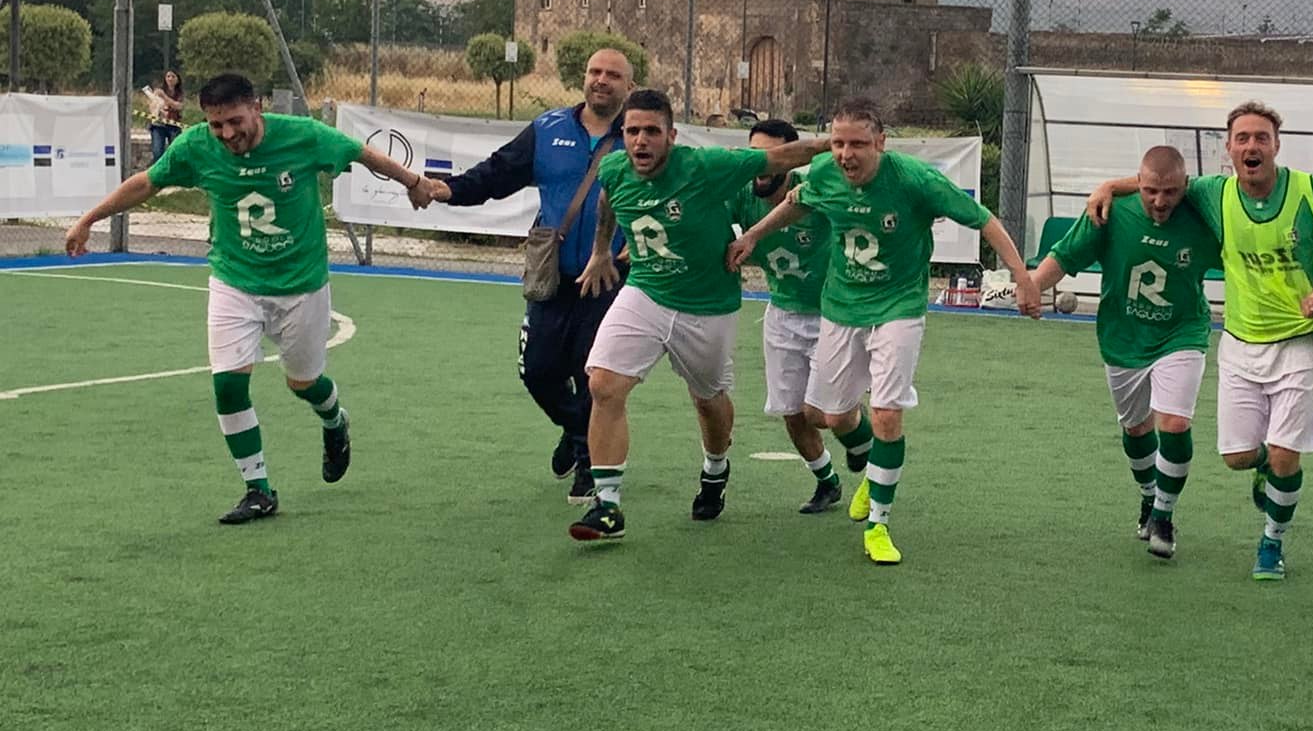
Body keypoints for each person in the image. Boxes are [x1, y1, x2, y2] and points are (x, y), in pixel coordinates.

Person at [63, 72, 432, 522]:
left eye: (235, 121)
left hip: (301, 284)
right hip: (234, 281)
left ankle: (335, 421)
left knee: (304, 384)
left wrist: (413, 180)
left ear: (256, 106)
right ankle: (258, 488)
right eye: (217, 125)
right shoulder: (196, 146)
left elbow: (361, 153)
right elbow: (147, 182)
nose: (227, 134)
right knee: (228, 383)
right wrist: (89, 219)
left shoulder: (303, 136)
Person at [727, 95, 1042, 566]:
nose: (845, 154)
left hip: (899, 307)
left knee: (889, 413)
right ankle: (872, 467)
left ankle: (879, 522)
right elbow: (796, 205)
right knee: (826, 416)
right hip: (841, 307)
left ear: (881, 142)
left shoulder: (915, 180)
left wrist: (1022, 276)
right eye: (837, 143)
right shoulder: (823, 176)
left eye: (857, 144)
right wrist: (752, 236)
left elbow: (985, 221)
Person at [1086, 101, 1313, 583]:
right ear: (1229, 149)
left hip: (1303, 340)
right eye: (1242, 138)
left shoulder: (1312, 191)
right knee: (1238, 457)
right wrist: (1111, 186)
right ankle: (1265, 466)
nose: (1251, 146)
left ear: (1276, 145)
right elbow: (1163, 182)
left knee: (1283, 454)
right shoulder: (1214, 193)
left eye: (1261, 137)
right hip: (1240, 342)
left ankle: (1271, 544)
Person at [568, 88, 828, 543]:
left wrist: (842, 142)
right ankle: (607, 505)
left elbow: (784, 156)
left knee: (708, 400)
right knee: (603, 383)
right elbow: (609, 200)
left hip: (707, 305)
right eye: (632, 131)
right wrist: (600, 253)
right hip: (646, 292)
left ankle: (715, 469)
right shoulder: (613, 167)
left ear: (671, 135)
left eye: (652, 131)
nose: (641, 141)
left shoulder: (707, 167)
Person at [426, 47, 630, 503]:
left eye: (613, 75)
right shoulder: (548, 128)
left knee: (592, 374)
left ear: (628, 87)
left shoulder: (638, 135)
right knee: (537, 371)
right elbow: (498, 173)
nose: (601, 80)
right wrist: (450, 189)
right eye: (595, 71)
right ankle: (574, 427)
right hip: (552, 279)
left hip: (611, 281)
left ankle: (587, 461)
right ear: (584, 78)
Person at [1030, 143, 1221, 561]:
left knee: (1173, 423)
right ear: (1138, 183)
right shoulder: (1112, 212)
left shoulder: (1204, 216)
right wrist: (1030, 288)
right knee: (1136, 429)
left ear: (1185, 186)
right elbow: (1064, 256)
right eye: (1151, 190)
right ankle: (1149, 495)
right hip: (1123, 337)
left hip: (1182, 333)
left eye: (1170, 192)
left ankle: (1165, 517)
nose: (1160, 200)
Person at [732, 116, 870, 515]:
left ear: (791, 162)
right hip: (782, 312)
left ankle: (867, 447)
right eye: (754, 156)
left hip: (832, 314)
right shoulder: (741, 193)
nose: (762, 166)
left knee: (823, 414)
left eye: (772, 157)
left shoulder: (818, 191)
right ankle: (827, 481)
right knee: (791, 412)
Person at [146, 70, 184, 161]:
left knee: (175, 151)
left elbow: (179, 106)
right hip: (158, 125)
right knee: (157, 152)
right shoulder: (158, 91)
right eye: (168, 76)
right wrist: (158, 110)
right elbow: (152, 106)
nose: (170, 79)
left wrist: (164, 97)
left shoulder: (180, 94)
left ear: (177, 79)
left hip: (174, 125)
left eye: (173, 76)